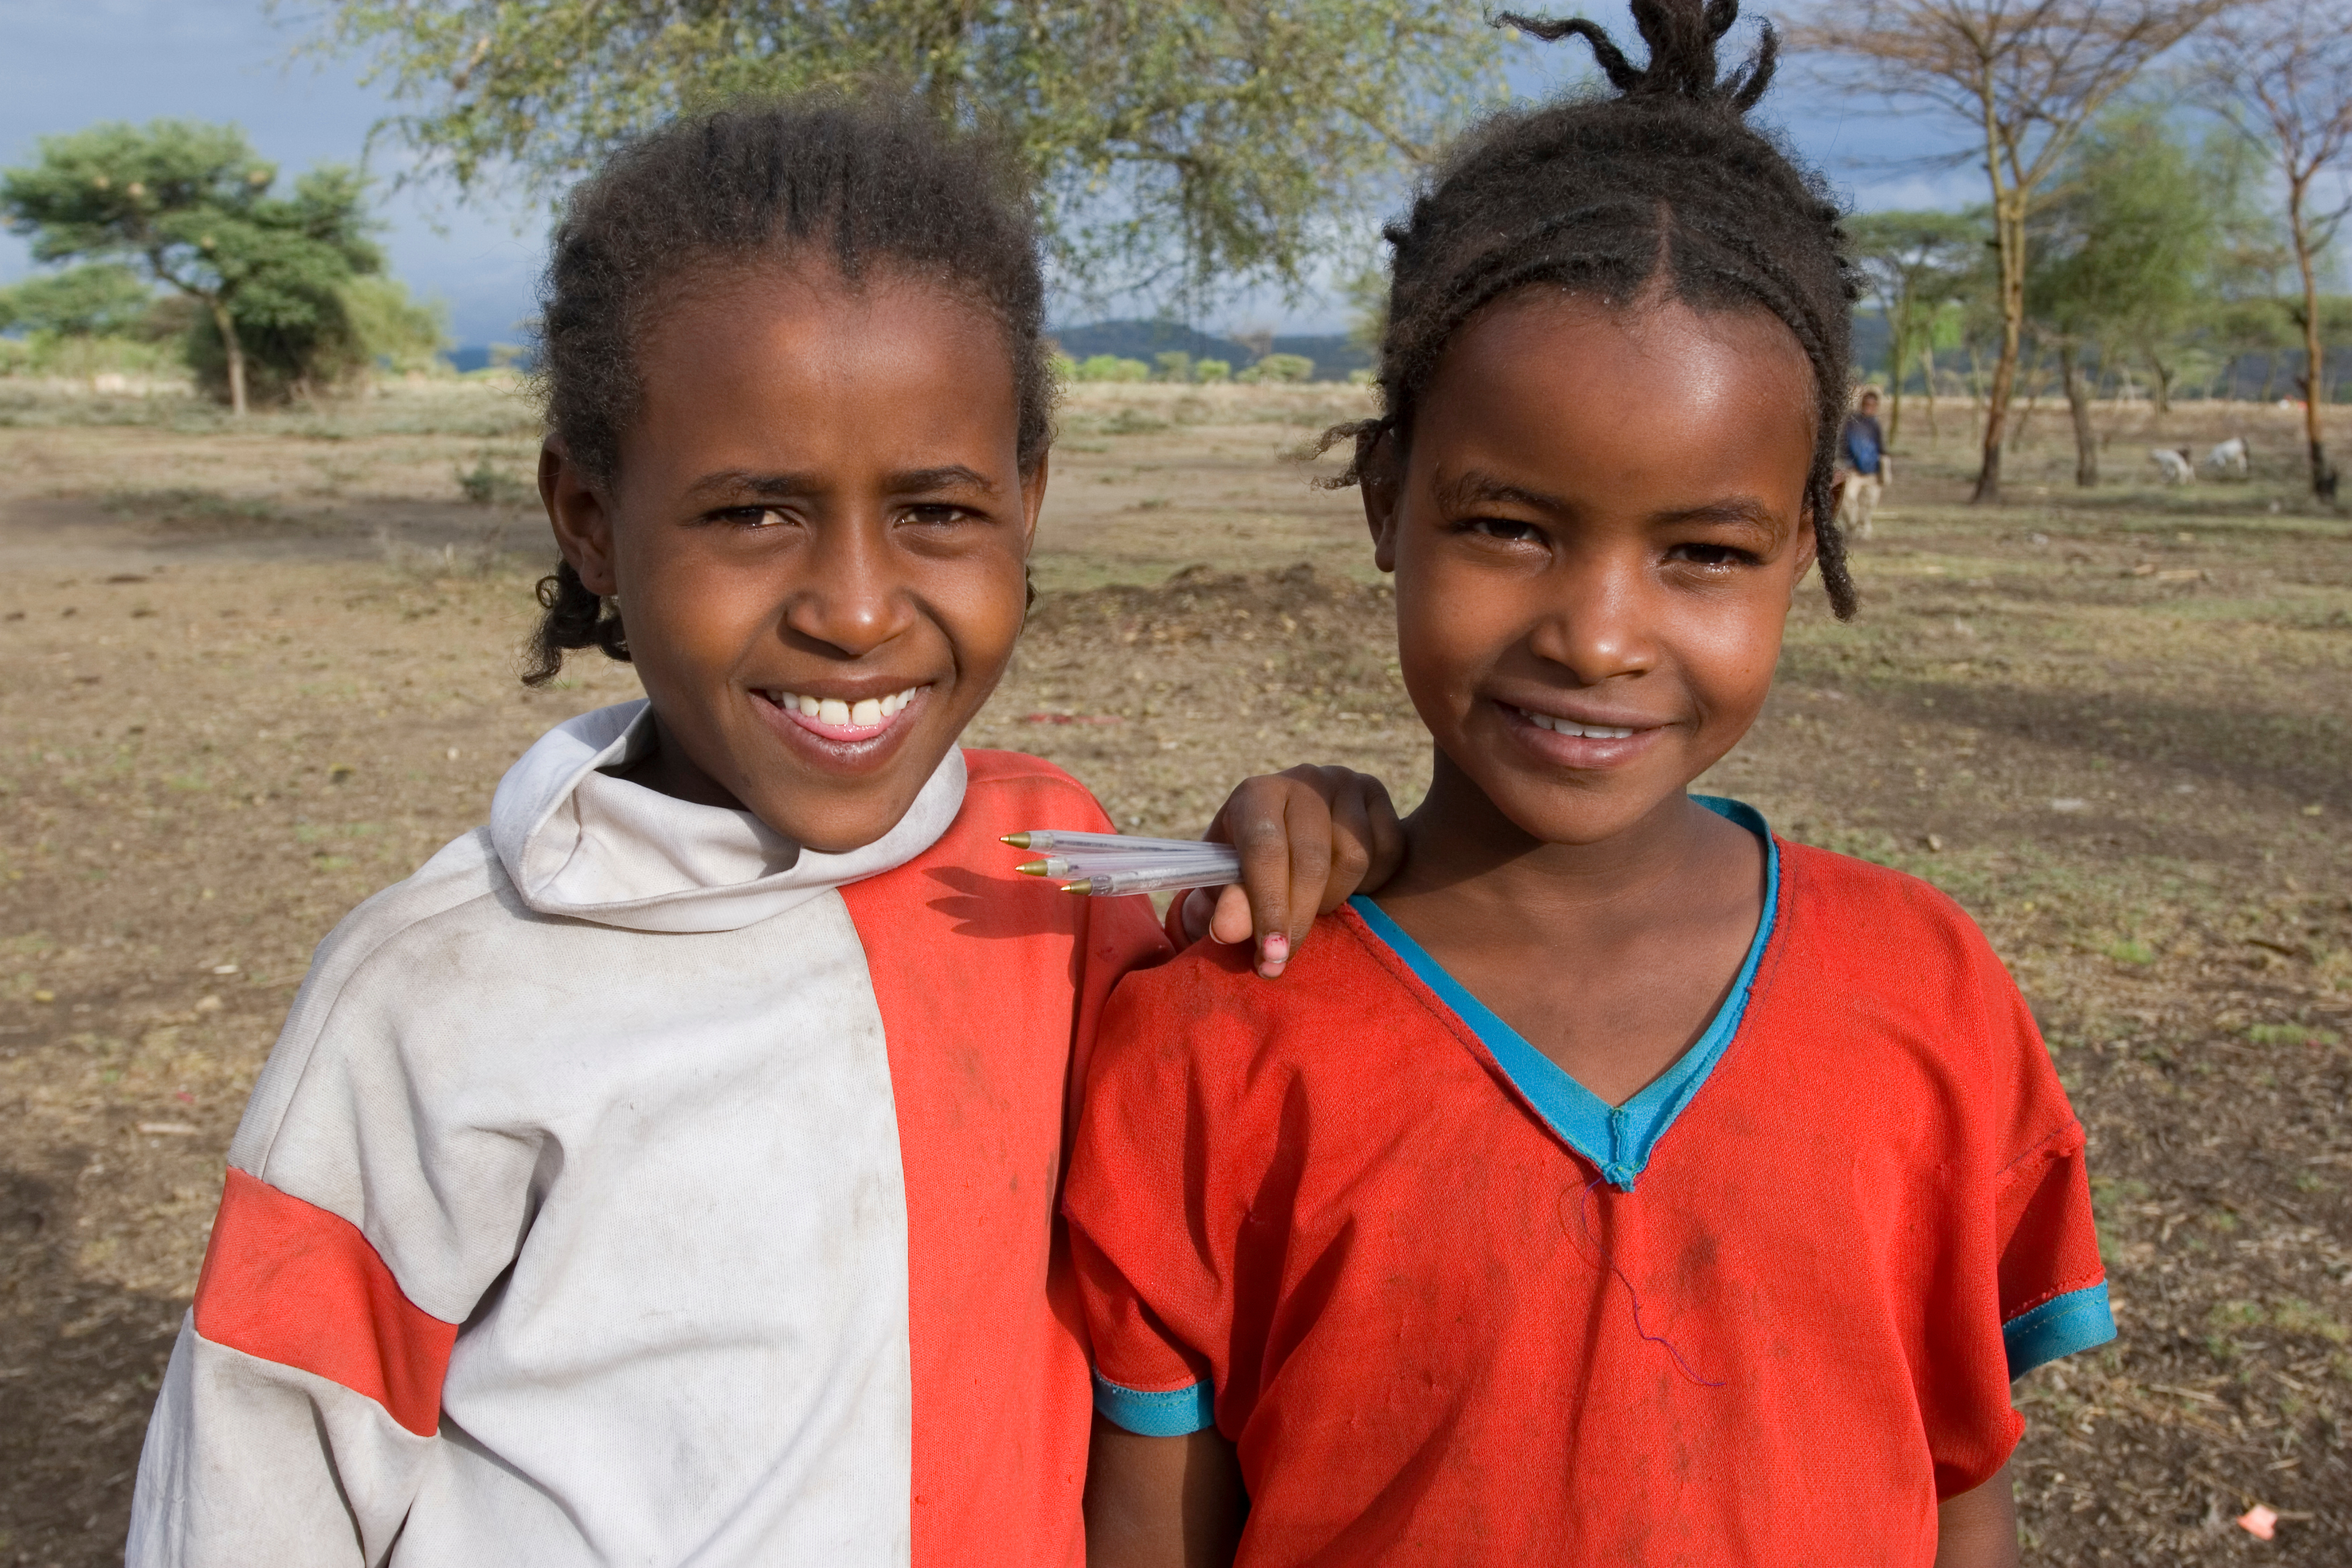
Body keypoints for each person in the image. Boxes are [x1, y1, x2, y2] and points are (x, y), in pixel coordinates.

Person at [126, 97, 1401, 1568]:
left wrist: (1289, 843)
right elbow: (257, 1473)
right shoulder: (433, 997)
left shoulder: (1057, 868)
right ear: (591, 520)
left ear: (1027, 508)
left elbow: (1216, 1095)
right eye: (753, 515)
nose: (856, 608)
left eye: (935, 510)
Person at [1063, 7, 2112, 1566]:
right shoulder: (1212, 1030)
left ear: (1802, 546)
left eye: (1701, 550)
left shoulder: (1928, 993)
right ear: (1384, 501)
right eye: (1507, 526)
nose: (1598, 634)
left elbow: (1955, 1475)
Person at [1838, 386, 1891, 540]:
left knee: (1870, 502)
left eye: (1872, 404)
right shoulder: (1852, 422)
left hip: (1873, 471)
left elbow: (1882, 448)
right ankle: (1852, 525)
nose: (1869, 407)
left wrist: (1884, 469)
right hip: (1854, 470)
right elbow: (1844, 443)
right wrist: (1848, 462)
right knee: (1846, 497)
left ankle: (1864, 528)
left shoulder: (1876, 424)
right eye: (1866, 404)